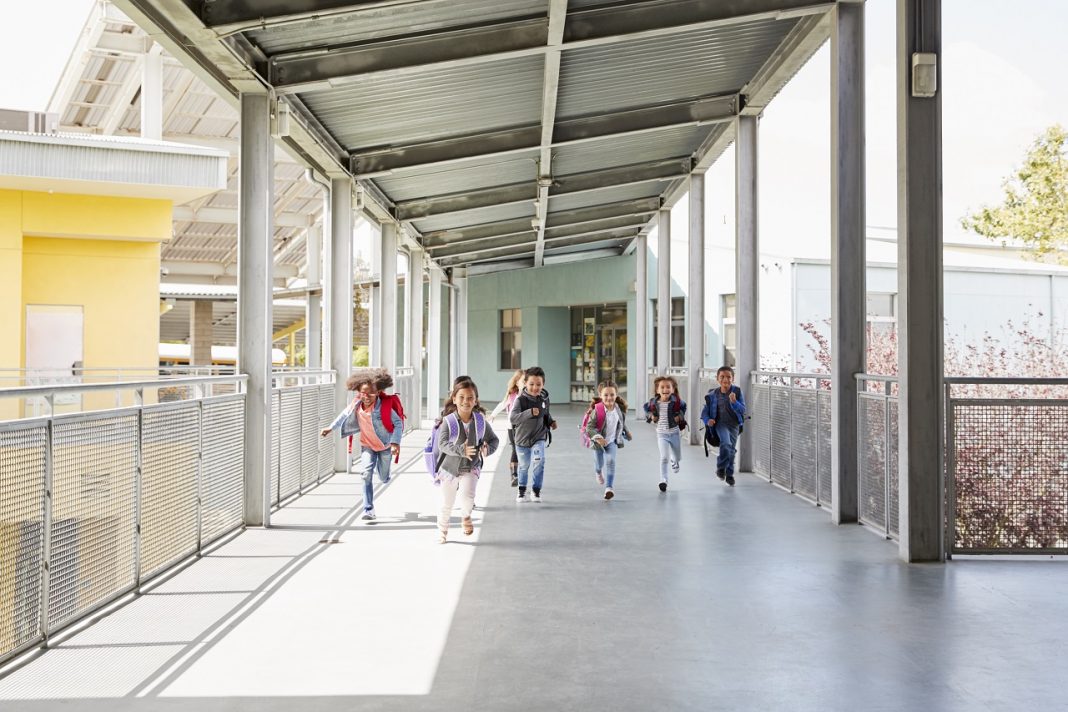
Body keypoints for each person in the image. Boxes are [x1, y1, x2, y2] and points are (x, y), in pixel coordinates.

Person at [320, 368, 403, 521]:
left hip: (385, 446)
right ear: (358, 391)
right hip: (367, 445)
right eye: (363, 393)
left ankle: (384, 475)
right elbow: (343, 415)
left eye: (371, 393)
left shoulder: (383, 406)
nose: (366, 396)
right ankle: (368, 509)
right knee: (365, 474)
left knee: (383, 477)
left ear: (378, 392)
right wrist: (330, 428)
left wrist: (395, 443)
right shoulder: (356, 404)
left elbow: (398, 423)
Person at [435, 379, 499, 543]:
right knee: (447, 503)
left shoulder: (480, 422)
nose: (466, 401)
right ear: (454, 399)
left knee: (468, 498)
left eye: (470, 397)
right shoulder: (448, 421)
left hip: (471, 467)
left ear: (475, 400)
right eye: (461, 397)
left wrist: (487, 449)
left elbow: (494, 440)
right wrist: (461, 450)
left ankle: (465, 516)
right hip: (449, 469)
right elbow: (442, 444)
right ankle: (442, 530)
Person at [509, 365, 558, 502]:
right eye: (531, 384)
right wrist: (529, 412)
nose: (535, 387)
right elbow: (513, 418)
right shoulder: (520, 400)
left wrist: (551, 422)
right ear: (525, 383)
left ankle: (536, 491)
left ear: (543, 384)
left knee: (539, 461)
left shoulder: (544, 399)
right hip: (522, 440)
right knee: (524, 466)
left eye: (538, 384)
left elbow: (545, 414)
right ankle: (522, 491)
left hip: (539, 437)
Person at [583, 380, 632, 500]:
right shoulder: (597, 410)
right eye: (605, 395)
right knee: (599, 463)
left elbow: (621, 423)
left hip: (611, 442)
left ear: (616, 395)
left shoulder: (618, 409)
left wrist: (627, 432)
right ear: (600, 395)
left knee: (611, 461)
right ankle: (598, 471)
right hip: (598, 443)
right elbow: (589, 428)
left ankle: (609, 488)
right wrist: (598, 438)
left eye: (612, 394)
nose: (609, 397)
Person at [700, 366, 747, 487]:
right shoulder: (712, 395)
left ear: (733, 379)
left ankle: (729, 475)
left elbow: (743, 410)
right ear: (717, 379)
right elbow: (704, 412)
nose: (725, 379)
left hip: (734, 425)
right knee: (726, 444)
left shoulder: (737, 392)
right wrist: (708, 420)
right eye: (722, 377)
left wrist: (734, 402)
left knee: (731, 450)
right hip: (720, 424)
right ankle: (721, 468)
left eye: (728, 377)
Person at [643, 375, 687, 493]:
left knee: (677, 456)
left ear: (673, 389)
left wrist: (680, 416)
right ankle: (663, 480)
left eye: (668, 387)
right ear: (657, 390)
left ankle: (674, 460)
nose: (665, 389)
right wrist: (651, 416)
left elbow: (684, 407)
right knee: (663, 457)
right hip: (661, 434)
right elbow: (646, 410)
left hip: (674, 433)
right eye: (662, 387)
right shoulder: (653, 402)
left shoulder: (677, 402)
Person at [490, 369, 525, 487]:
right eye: (523, 381)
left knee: (523, 450)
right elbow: (502, 404)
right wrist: (493, 414)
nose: (525, 383)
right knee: (515, 449)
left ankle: (521, 473)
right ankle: (514, 475)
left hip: (524, 428)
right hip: (512, 427)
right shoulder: (512, 395)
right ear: (517, 382)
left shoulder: (528, 395)